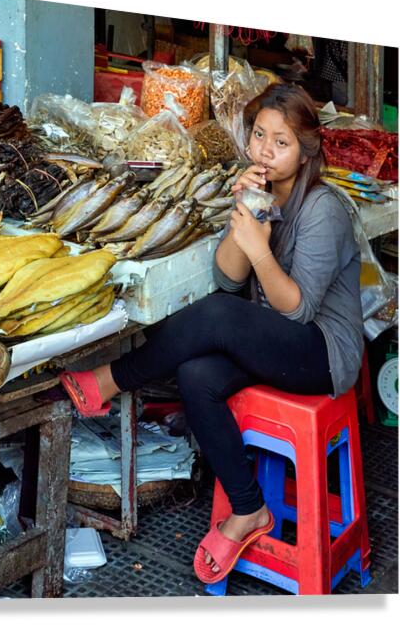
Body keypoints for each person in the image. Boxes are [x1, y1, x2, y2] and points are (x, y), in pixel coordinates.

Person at [59, 83, 363, 584]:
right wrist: (244, 213)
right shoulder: (262, 194)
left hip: (321, 352)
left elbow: (299, 311)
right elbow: (228, 277)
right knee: (195, 373)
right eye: (259, 135)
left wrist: (259, 246)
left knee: (218, 316)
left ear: (306, 150)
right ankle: (249, 509)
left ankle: (111, 380)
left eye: (281, 142)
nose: (265, 149)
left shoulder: (322, 208)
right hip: (277, 341)